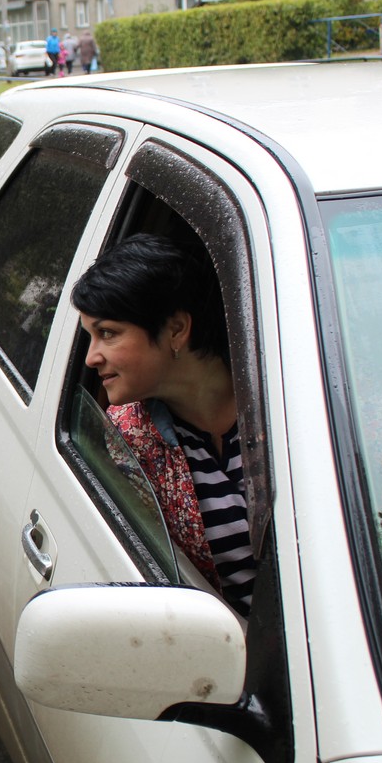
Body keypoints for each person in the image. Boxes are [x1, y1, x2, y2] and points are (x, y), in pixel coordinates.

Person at [71, 234, 257, 616]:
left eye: (107, 333)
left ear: (175, 329)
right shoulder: (129, 441)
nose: (91, 357)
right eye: (91, 336)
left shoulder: (287, 399)